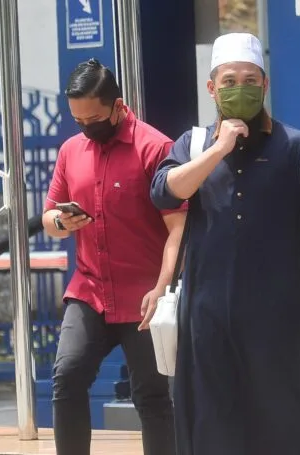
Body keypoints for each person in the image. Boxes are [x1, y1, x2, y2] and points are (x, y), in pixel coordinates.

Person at [149, 33, 300, 455]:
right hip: (208, 320)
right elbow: (165, 192)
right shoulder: (193, 145)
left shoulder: (296, 146)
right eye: (229, 81)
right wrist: (219, 149)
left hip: (278, 319)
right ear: (211, 88)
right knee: (214, 430)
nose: (240, 88)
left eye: (250, 79)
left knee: (292, 426)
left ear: (265, 84)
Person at [42, 59, 183, 455]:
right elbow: (49, 216)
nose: (87, 127)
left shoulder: (155, 148)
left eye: (94, 119)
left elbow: (179, 227)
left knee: (152, 396)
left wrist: (162, 288)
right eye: (78, 120)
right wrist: (61, 221)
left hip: (144, 296)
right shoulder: (71, 151)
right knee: (67, 376)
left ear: (118, 106)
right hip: (90, 291)